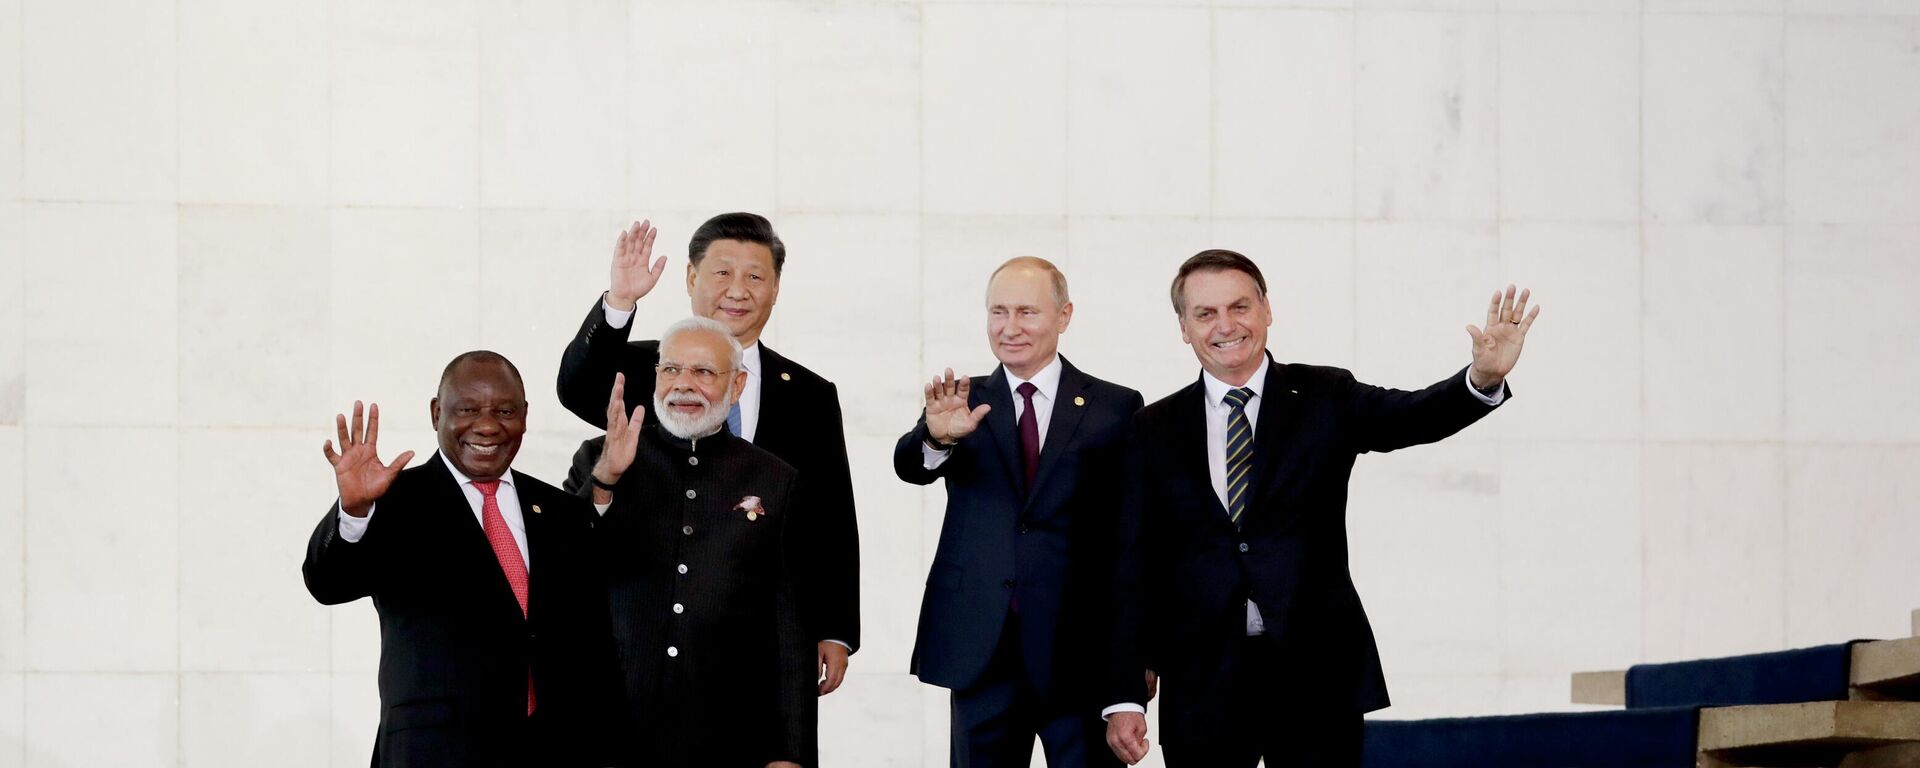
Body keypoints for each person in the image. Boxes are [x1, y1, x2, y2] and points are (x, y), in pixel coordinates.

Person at [1104, 250, 1541, 768]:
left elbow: (1413, 416)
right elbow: (1132, 565)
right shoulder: (1153, 428)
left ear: (1266, 309)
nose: (1226, 325)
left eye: (1239, 306)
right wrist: (1125, 692)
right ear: (1183, 327)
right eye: (1205, 313)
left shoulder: (1325, 394)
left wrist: (1481, 378)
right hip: (1203, 681)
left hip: (1316, 672)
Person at [557, 213, 860, 695]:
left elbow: (832, 514)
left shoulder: (809, 394)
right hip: (649, 631)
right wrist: (619, 302)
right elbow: (577, 389)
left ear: (776, 287)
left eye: (755, 276)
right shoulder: (649, 369)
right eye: (721, 272)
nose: (737, 290)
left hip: (763, 634)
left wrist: (836, 628)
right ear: (691, 277)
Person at [303, 351, 615, 767]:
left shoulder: (558, 511)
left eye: (504, 411)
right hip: (433, 753)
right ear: (436, 413)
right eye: (467, 409)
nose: (487, 426)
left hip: (549, 751)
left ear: (525, 416)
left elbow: (589, 644)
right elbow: (329, 583)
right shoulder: (393, 501)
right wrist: (355, 510)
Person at [895, 257, 1143, 768]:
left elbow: (1131, 542)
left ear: (1064, 315)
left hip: (1079, 656)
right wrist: (937, 438)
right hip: (981, 650)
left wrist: (1132, 667)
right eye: (998, 312)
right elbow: (911, 466)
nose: (1010, 328)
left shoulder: (1114, 407)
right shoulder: (962, 402)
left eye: (1027, 312)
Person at [587, 316, 815, 768]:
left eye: (704, 372)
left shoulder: (774, 478)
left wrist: (790, 751)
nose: (683, 385)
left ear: (737, 386)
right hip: (612, 723)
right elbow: (565, 566)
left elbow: (788, 625)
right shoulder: (601, 457)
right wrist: (605, 479)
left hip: (728, 731)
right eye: (670, 370)